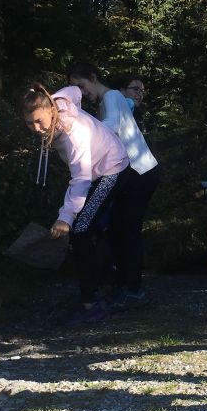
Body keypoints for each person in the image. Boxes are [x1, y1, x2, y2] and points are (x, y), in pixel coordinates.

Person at [22, 83, 129, 326]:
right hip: (98, 169)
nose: (36, 129)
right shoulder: (59, 102)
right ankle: (101, 287)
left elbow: (80, 178)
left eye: (39, 121)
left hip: (111, 168)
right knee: (89, 228)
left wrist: (65, 218)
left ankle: (92, 305)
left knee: (80, 230)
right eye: (30, 123)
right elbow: (75, 91)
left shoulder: (72, 135)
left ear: (51, 111)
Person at [67, 63, 160, 309]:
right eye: (75, 88)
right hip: (131, 172)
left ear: (93, 77)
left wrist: (80, 130)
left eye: (81, 85)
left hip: (140, 171)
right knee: (118, 229)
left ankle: (133, 289)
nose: (81, 91)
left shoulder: (111, 96)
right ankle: (124, 284)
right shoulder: (109, 100)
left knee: (127, 230)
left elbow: (111, 128)